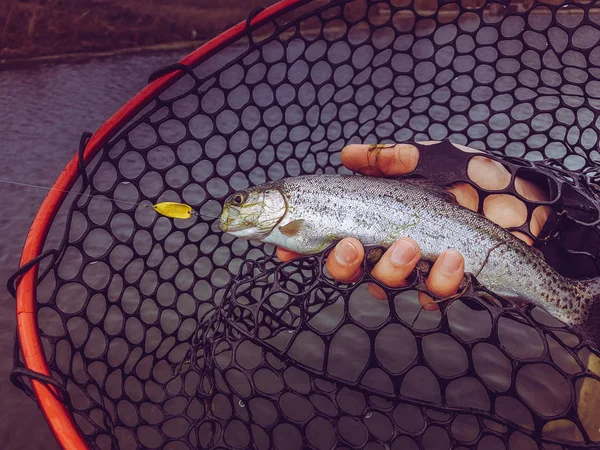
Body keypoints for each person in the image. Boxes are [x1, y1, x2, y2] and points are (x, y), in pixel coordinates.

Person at [276, 142, 550, 309]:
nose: (233, 206)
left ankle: (559, 298)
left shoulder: (293, 204)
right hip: (543, 235)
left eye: (241, 201)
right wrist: (541, 205)